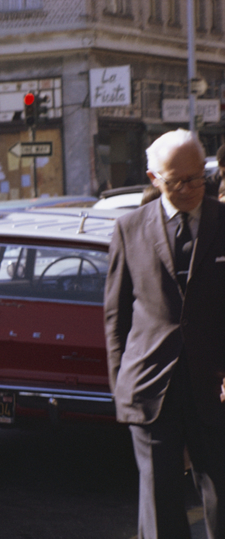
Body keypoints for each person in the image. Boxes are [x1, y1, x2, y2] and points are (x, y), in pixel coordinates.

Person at [104, 129, 225, 539]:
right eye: (178, 181)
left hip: (216, 387)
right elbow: (116, 314)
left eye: (198, 179)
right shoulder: (128, 228)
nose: (190, 188)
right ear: (155, 178)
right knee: (159, 504)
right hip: (152, 386)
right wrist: (121, 384)